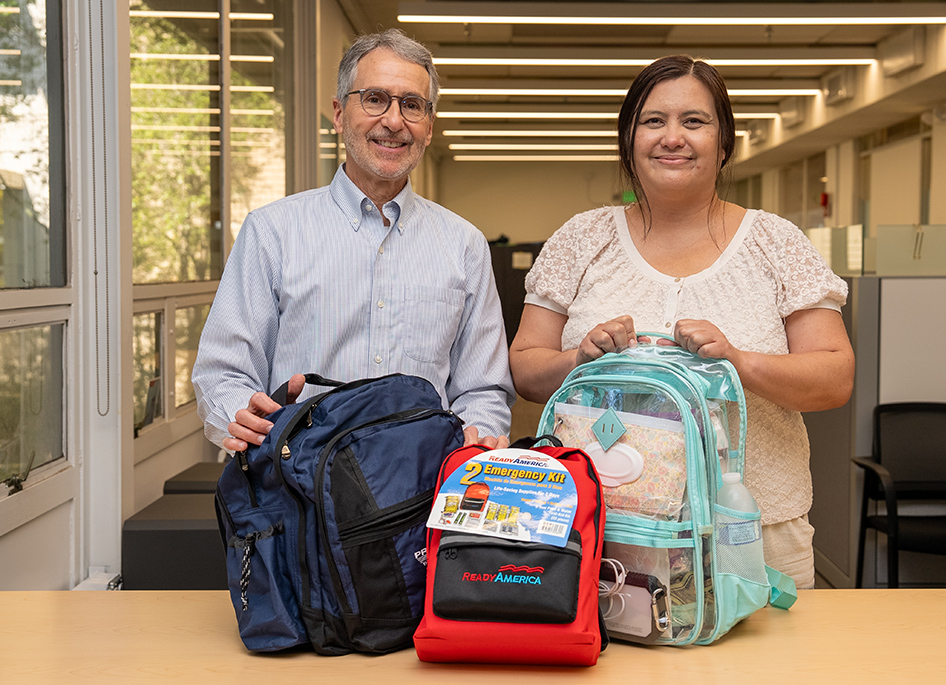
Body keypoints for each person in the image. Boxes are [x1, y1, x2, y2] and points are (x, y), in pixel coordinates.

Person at [508, 55, 854, 588]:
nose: (673, 137)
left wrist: (739, 361)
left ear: (724, 142)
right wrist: (579, 361)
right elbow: (526, 371)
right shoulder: (581, 240)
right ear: (629, 139)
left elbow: (834, 378)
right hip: (604, 532)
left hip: (754, 531)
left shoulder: (776, 242)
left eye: (694, 121)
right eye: (653, 121)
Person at [193, 29, 514, 454]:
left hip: (419, 491)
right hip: (297, 490)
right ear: (340, 113)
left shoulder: (464, 246)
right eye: (375, 99)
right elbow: (222, 375)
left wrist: (478, 432)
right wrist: (245, 417)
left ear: (429, 126)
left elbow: (484, 389)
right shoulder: (272, 232)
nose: (394, 121)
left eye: (412, 105)